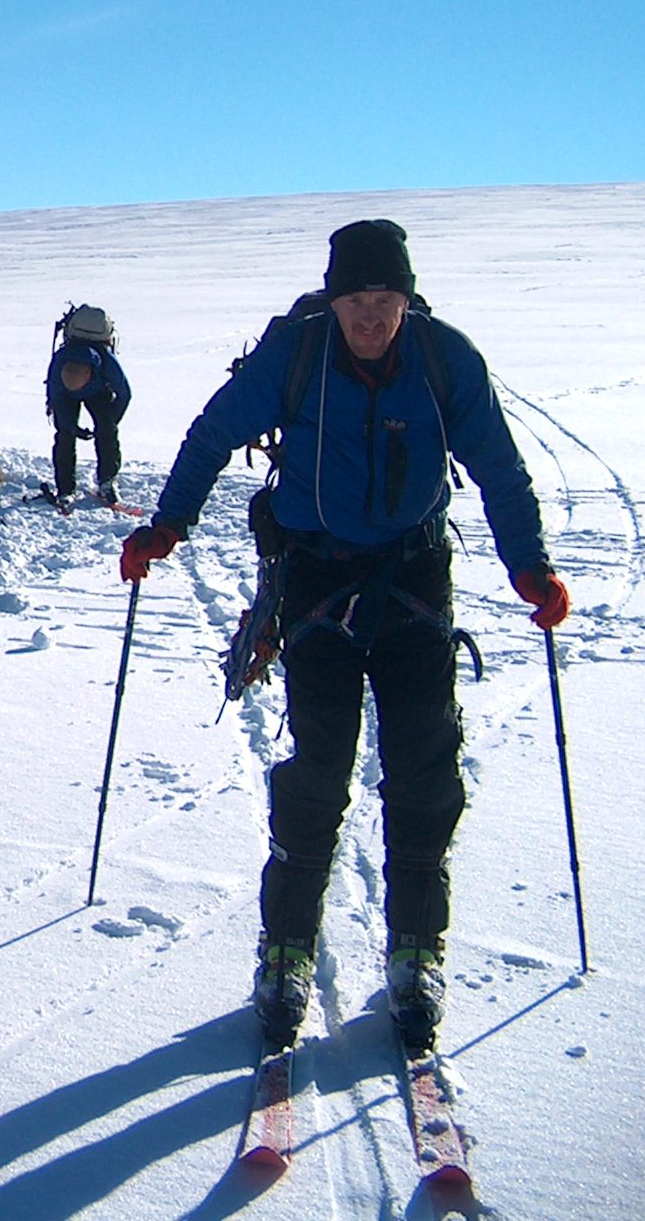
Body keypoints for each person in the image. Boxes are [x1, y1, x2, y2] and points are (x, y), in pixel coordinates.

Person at [119, 220, 568, 1053]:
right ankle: (286, 949)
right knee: (320, 769)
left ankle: (416, 952)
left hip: (414, 582)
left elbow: (501, 467)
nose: (370, 317)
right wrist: (168, 524)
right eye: (357, 300)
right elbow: (214, 432)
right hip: (318, 582)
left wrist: (529, 567)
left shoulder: (445, 360)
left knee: (425, 764)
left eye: (385, 300)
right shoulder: (296, 354)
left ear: (407, 300)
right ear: (334, 300)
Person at [46, 333, 131, 508]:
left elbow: (124, 395)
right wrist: (72, 427)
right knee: (64, 436)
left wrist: (110, 423)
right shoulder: (58, 368)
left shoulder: (107, 362)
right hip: (65, 397)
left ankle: (107, 482)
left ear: (88, 374)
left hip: (98, 391)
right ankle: (65, 489)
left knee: (107, 431)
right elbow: (57, 401)